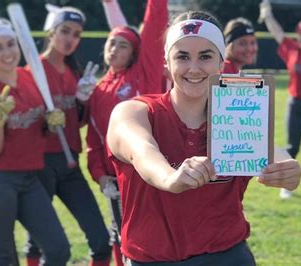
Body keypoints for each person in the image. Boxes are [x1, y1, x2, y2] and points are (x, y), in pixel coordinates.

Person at [105, 10, 301, 265]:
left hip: (227, 254)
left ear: (222, 63)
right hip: (154, 259)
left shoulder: (236, 113)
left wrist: (288, 168)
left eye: (206, 56)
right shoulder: (135, 111)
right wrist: (170, 177)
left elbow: (267, 148)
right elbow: (142, 150)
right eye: (182, 57)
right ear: (167, 63)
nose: (194, 68)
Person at [22, 5, 112, 266]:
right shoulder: (32, 72)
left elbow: (79, 122)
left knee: (100, 239)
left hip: (70, 162)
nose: (70, 39)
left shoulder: (75, 72)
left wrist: (82, 101)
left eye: (76, 34)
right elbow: (22, 123)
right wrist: (44, 122)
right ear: (51, 32)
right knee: (37, 242)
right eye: (65, 31)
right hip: (40, 163)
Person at [87, 0, 167, 265]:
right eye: (111, 43)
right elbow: (94, 139)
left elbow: (155, 26)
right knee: (119, 234)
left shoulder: (143, 74)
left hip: (149, 172)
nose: (114, 49)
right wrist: (100, 176)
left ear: (135, 54)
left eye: (123, 45)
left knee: (153, 236)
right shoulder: (97, 90)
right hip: (116, 179)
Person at [0, 18, 69, 266]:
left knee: (58, 250)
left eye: (10, 44)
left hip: (30, 177)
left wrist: (52, 122)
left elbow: (39, 129)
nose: (7, 52)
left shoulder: (28, 77)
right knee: (2, 257)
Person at [259, 1, 301, 199]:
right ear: (298, 35)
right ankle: (285, 184)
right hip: (295, 103)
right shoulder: (291, 49)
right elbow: (277, 31)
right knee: (292, 146)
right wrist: (267, 14)